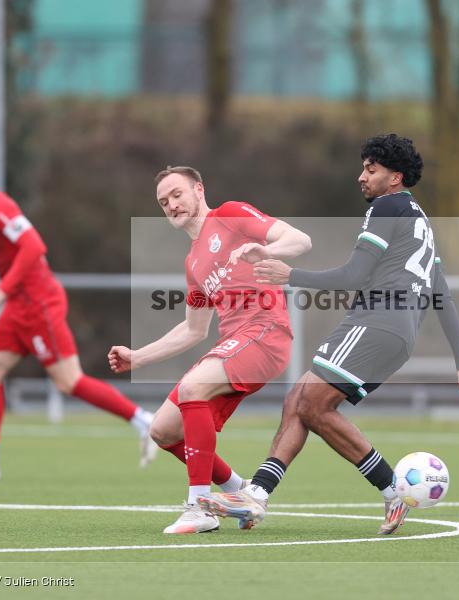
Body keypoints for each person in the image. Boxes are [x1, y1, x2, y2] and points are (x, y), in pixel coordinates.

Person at [198, 134, 459, 534]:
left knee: (313, 405)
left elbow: (353, 275)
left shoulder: (386, 208)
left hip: (378, 322)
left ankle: (391, 490)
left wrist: (289, 274)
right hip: (395, 331)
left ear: (395, 177)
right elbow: (442, 296)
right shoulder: (421, 222)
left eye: (371, 169)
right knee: (299, 397)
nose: (361, 177)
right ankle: (257, 495)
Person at [107, 165, 312, 534]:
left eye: (177, 194)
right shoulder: (193, 262)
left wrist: (264, 250)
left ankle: (199, 508)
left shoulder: (230, 215)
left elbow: (300, 240)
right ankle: (238, 491)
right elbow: (193, 329)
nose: (171, 204)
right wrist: (138, 356)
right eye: (163, 201)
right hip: (234, 344)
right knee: (163, 430)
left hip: (266, 332)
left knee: (192, 388)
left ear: (199, 189)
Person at [0, 149, 156, 482]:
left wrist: (1, 289)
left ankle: (145, 421)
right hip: (18, 307)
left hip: (39, 304)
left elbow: (34, 246)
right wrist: (9, 293)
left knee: (69, 381)